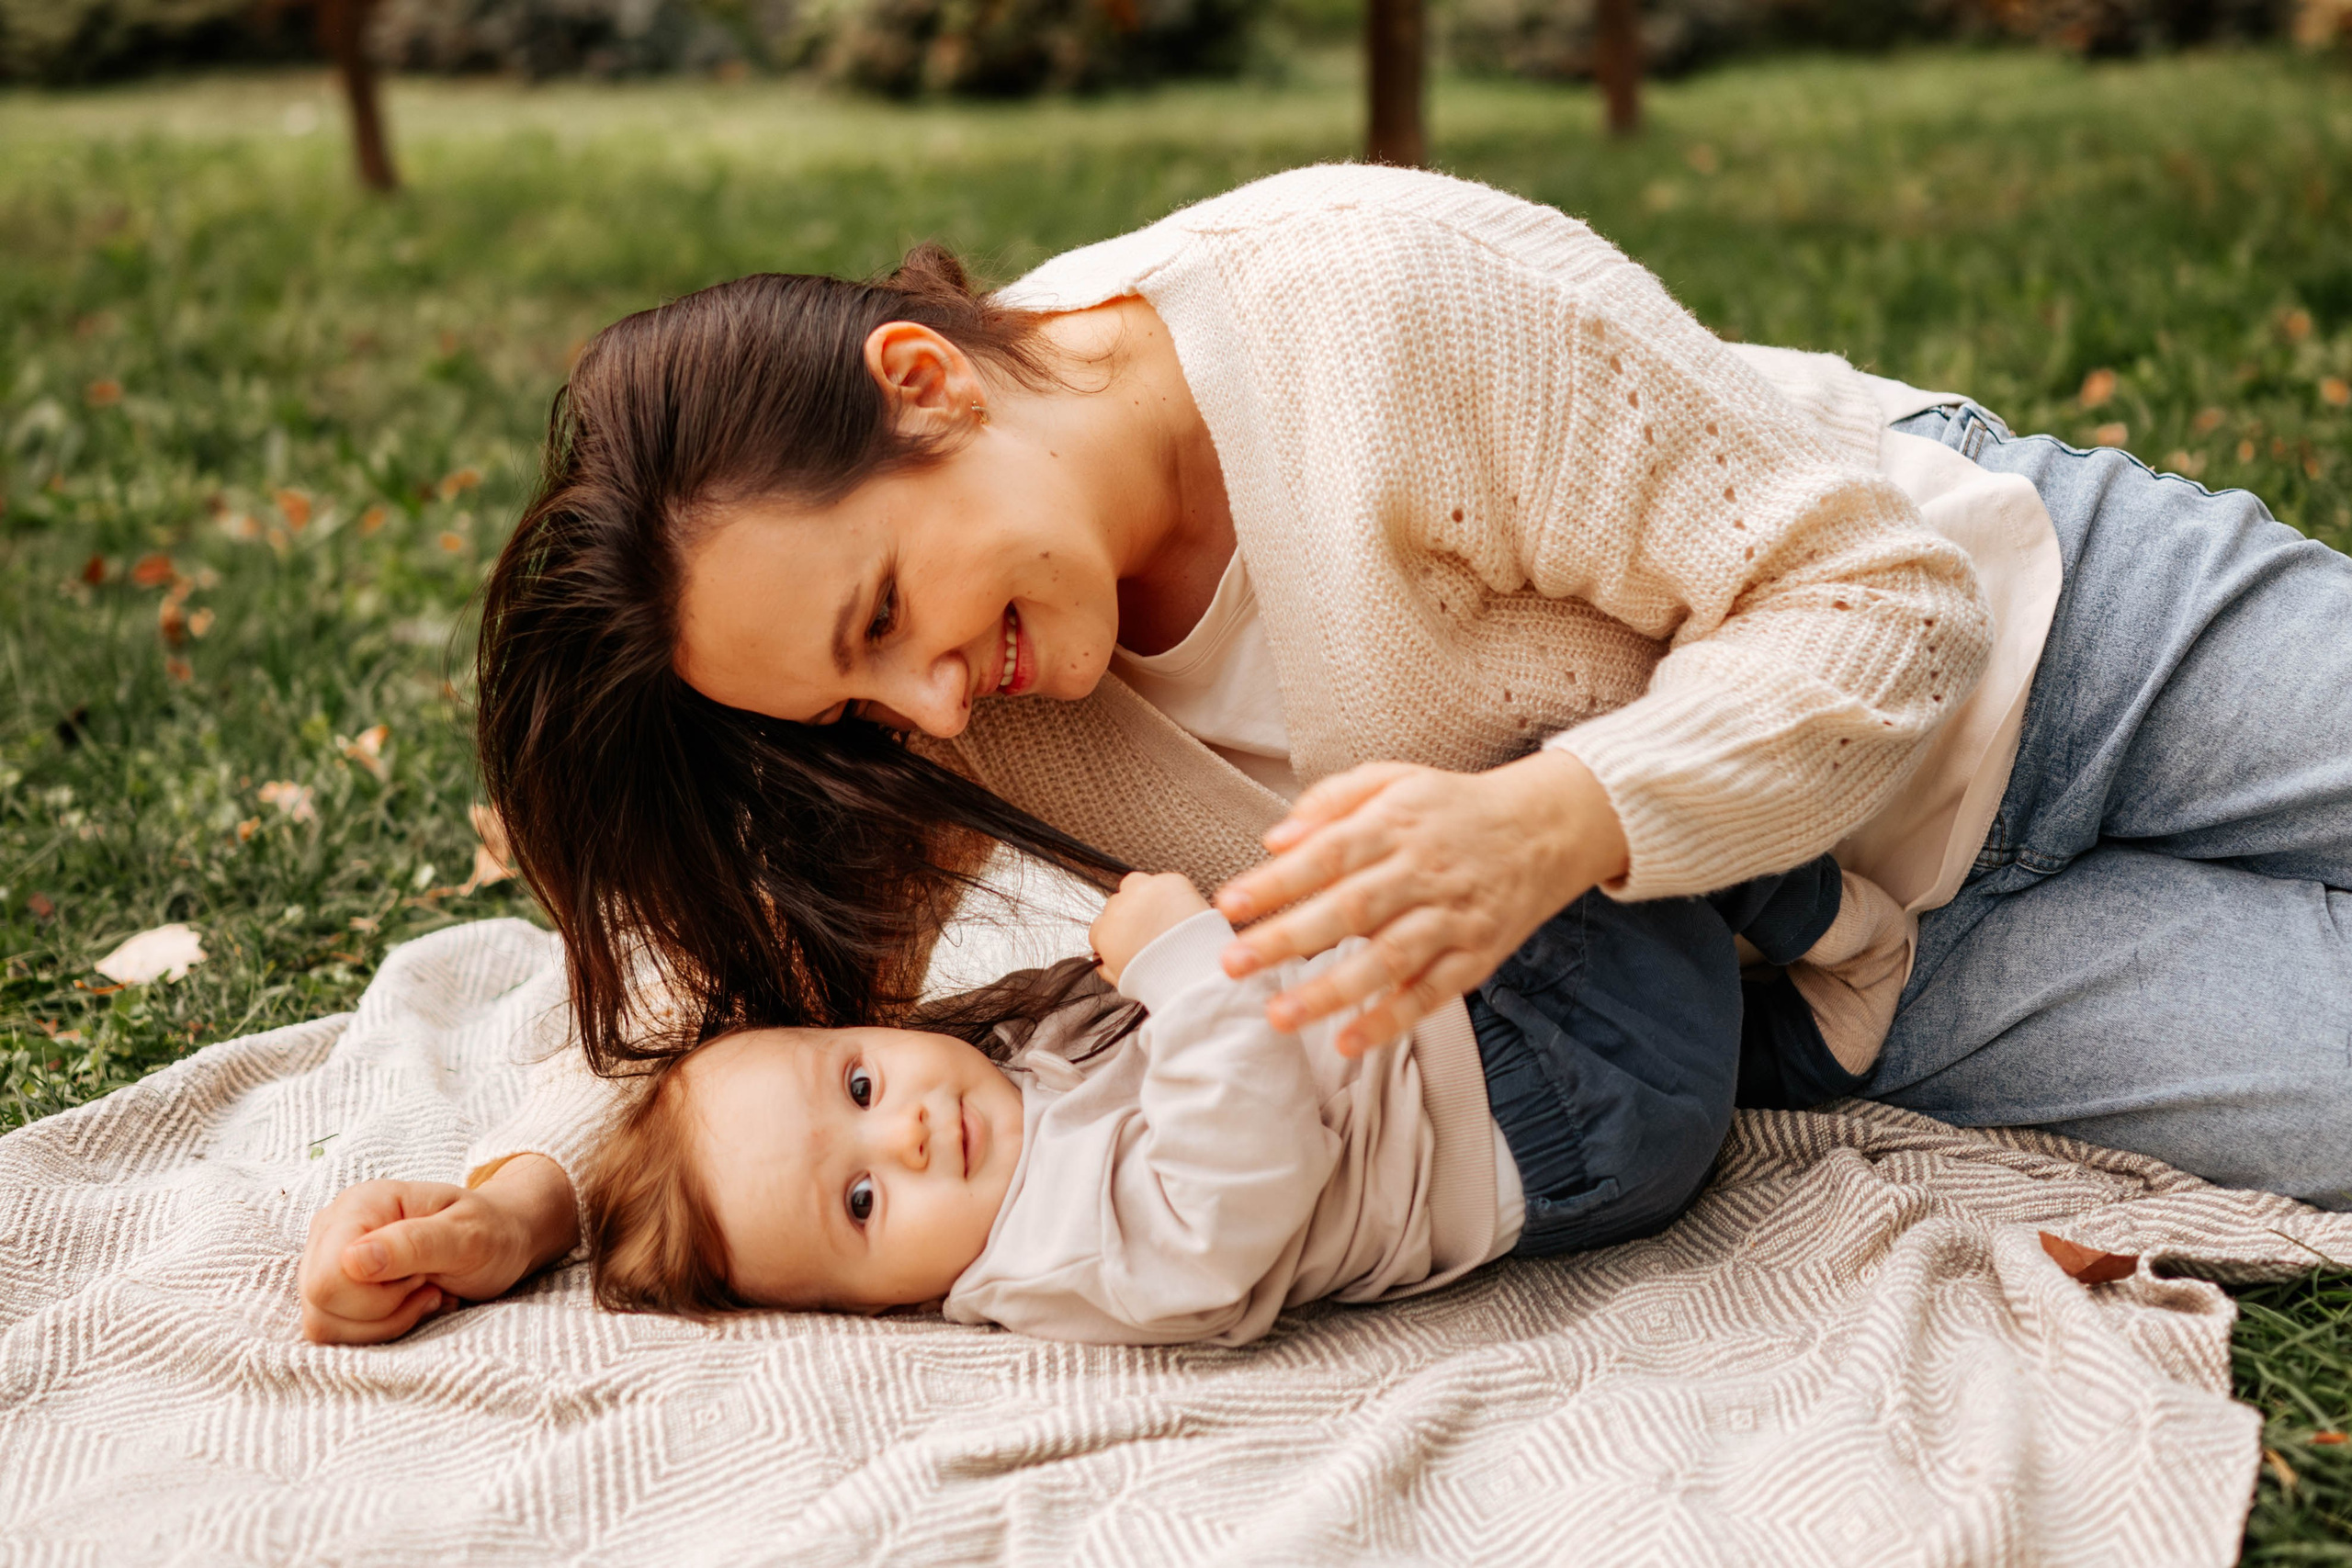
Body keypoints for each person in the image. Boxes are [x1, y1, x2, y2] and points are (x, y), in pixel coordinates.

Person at [298, 162, 2352, 1345]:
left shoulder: (1369, 312)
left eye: (877, 622)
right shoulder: (991, 684)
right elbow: (783, 1031)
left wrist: (1552, 823)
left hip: (2046, 635)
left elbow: (1880, 603)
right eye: (854, 702)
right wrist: (544, 1199)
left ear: (920, 384)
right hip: (1870, 960)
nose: (926, 712)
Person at [580, 863, 1909, 1344]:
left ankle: (1792, 1049)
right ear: (879, 1309)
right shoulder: (1064, 1262)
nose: (909, 1130)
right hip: (1550, 1100)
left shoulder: (1013, 1081)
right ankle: (1831, 913)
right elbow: (1247, 1166)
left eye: (861, 1084)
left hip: (1562, 1084)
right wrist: (1176, 957)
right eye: (864, 1199)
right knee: (1587, 816)